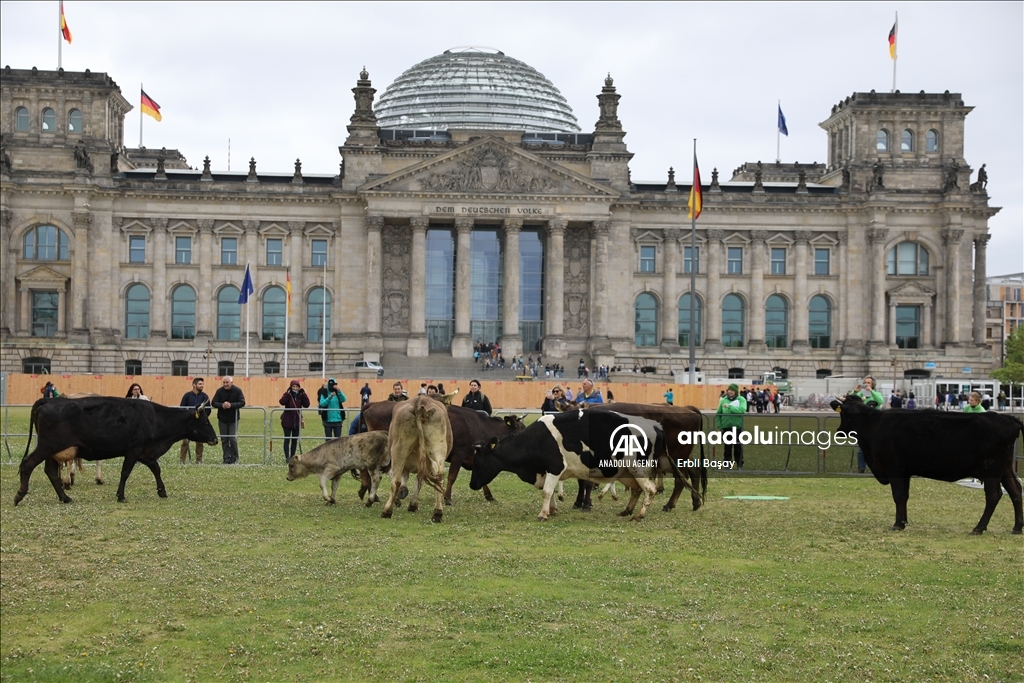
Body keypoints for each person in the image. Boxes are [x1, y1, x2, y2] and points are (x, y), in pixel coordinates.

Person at [852, 376, 884, 472]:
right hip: (863, 425)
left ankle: (878, 467)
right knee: (862, 448)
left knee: (876, 447)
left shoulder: (876, 394)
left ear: (873, 384)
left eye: (869, 383)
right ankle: (861, 468)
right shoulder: (861, 394)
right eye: (865, 382)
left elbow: (880, 401)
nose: (866, 384)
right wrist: (855, 392)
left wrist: (871, 391)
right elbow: (851, 401)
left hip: (875, 425)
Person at [212, 376, 245, 464]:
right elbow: (214, 402)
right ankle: (226, 458)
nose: (225, 384)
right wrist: (222, 405)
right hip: (222, 419)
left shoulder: (237, 391)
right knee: (224, 439)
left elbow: (242, 402)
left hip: (233, 419)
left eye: (227, 382)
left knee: (232, 439)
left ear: (231, 382)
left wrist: (231, 405)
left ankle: (234, 458)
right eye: (224, 383)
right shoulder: (219, 391)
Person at [179, 377, 210, 464]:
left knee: (200, 442)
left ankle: (199, 459)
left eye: (202, 384)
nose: (202, 386)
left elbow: (208, 409)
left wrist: (203, 418)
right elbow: (182, 407)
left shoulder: (205, 396)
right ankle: (182, 460)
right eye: (200, 384)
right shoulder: (187, 396)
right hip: (188, 422)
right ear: (194, 385)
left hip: (199, 423)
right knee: (185, 441)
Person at [715, 383, 747, 468]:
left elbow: (742, 410)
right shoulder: (723, 400)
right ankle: (727, 464)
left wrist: (730, 407)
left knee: (738, 447)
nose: (730, 392)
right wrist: (720, 425)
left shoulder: (741, 400)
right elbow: (718, 414)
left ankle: (739, 463)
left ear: (736, 392)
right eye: (729, 390)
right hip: (726, 427)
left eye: (732, 390)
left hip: (737, 427)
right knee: (727, 447)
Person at [279, 379, 310, 463]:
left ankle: (292, 457)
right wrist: (287, 394)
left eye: (297, 387)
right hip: (287, 421)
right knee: (287, 439)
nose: (295, 388)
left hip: (296, 422)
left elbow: (307, 405)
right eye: (293, 386)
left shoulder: (300, 395)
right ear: (291, 387)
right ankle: (287, 457)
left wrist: (304, 395)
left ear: (299, 387)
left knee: (294, 440)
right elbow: (282, 402)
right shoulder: (288, 395)